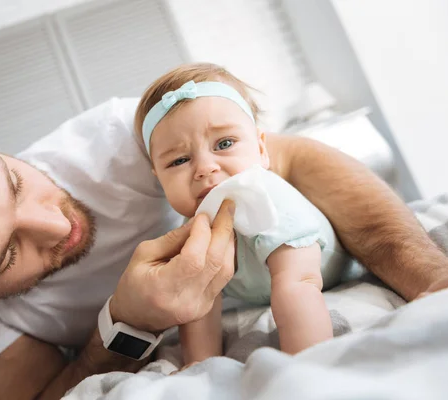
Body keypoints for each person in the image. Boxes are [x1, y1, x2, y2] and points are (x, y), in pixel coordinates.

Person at [0, 89, 448, 399]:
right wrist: (125, 324)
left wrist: (427, 279)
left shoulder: (119, 136)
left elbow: (291, 154)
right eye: (8, 255)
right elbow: (43, 397)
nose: (57, 226)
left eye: (13, 183)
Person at [134, 63, 351, 362]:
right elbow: (199, 304)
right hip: (266, 289)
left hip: (322, 271)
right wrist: (200, 365)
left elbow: (297, 285)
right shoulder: (194, 226)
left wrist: (304, 365)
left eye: (224, 144)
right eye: (179, 160)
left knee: (293, 283)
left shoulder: (271, 202)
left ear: (262, 149)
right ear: (158, 177)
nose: (204, 168)